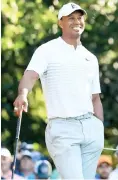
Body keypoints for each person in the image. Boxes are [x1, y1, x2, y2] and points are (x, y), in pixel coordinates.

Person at [13, 2, 104, 179]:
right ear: (60, 23)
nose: (77, 21)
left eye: (79, 18)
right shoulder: (47, 50)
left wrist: (99, 128)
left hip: (91, 127)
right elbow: (30, 76)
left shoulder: (90, 58)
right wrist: (23, 94)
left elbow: (95, 99)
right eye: (71, 18)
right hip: (63, 128)